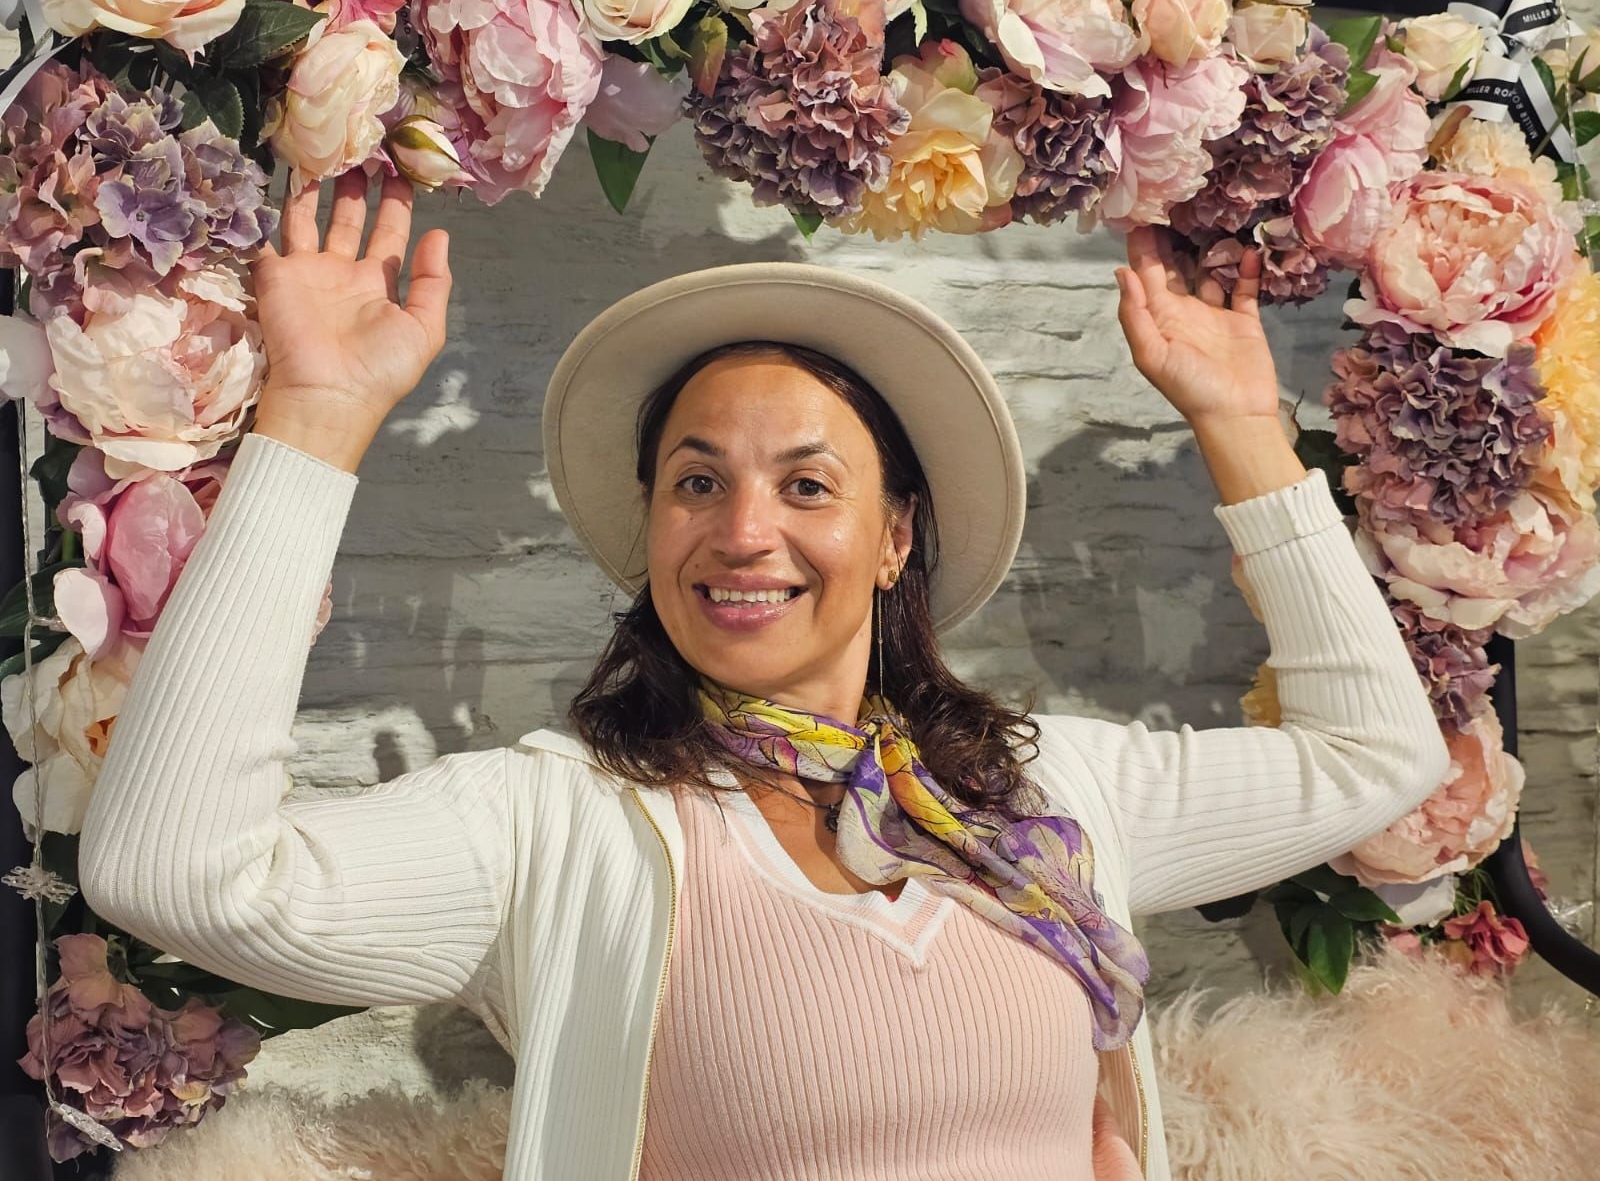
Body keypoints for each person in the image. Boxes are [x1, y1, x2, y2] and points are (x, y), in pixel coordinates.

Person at [75, 166, 1450, 1181]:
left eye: (807, 482)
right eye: (696, 482)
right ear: (651, 530)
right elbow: (173, 876)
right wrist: (314, 421)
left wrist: (1246, 429)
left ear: (895, 532)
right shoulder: (559, 827)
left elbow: (1375, 760)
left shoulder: (1053, 798)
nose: (744, 531)